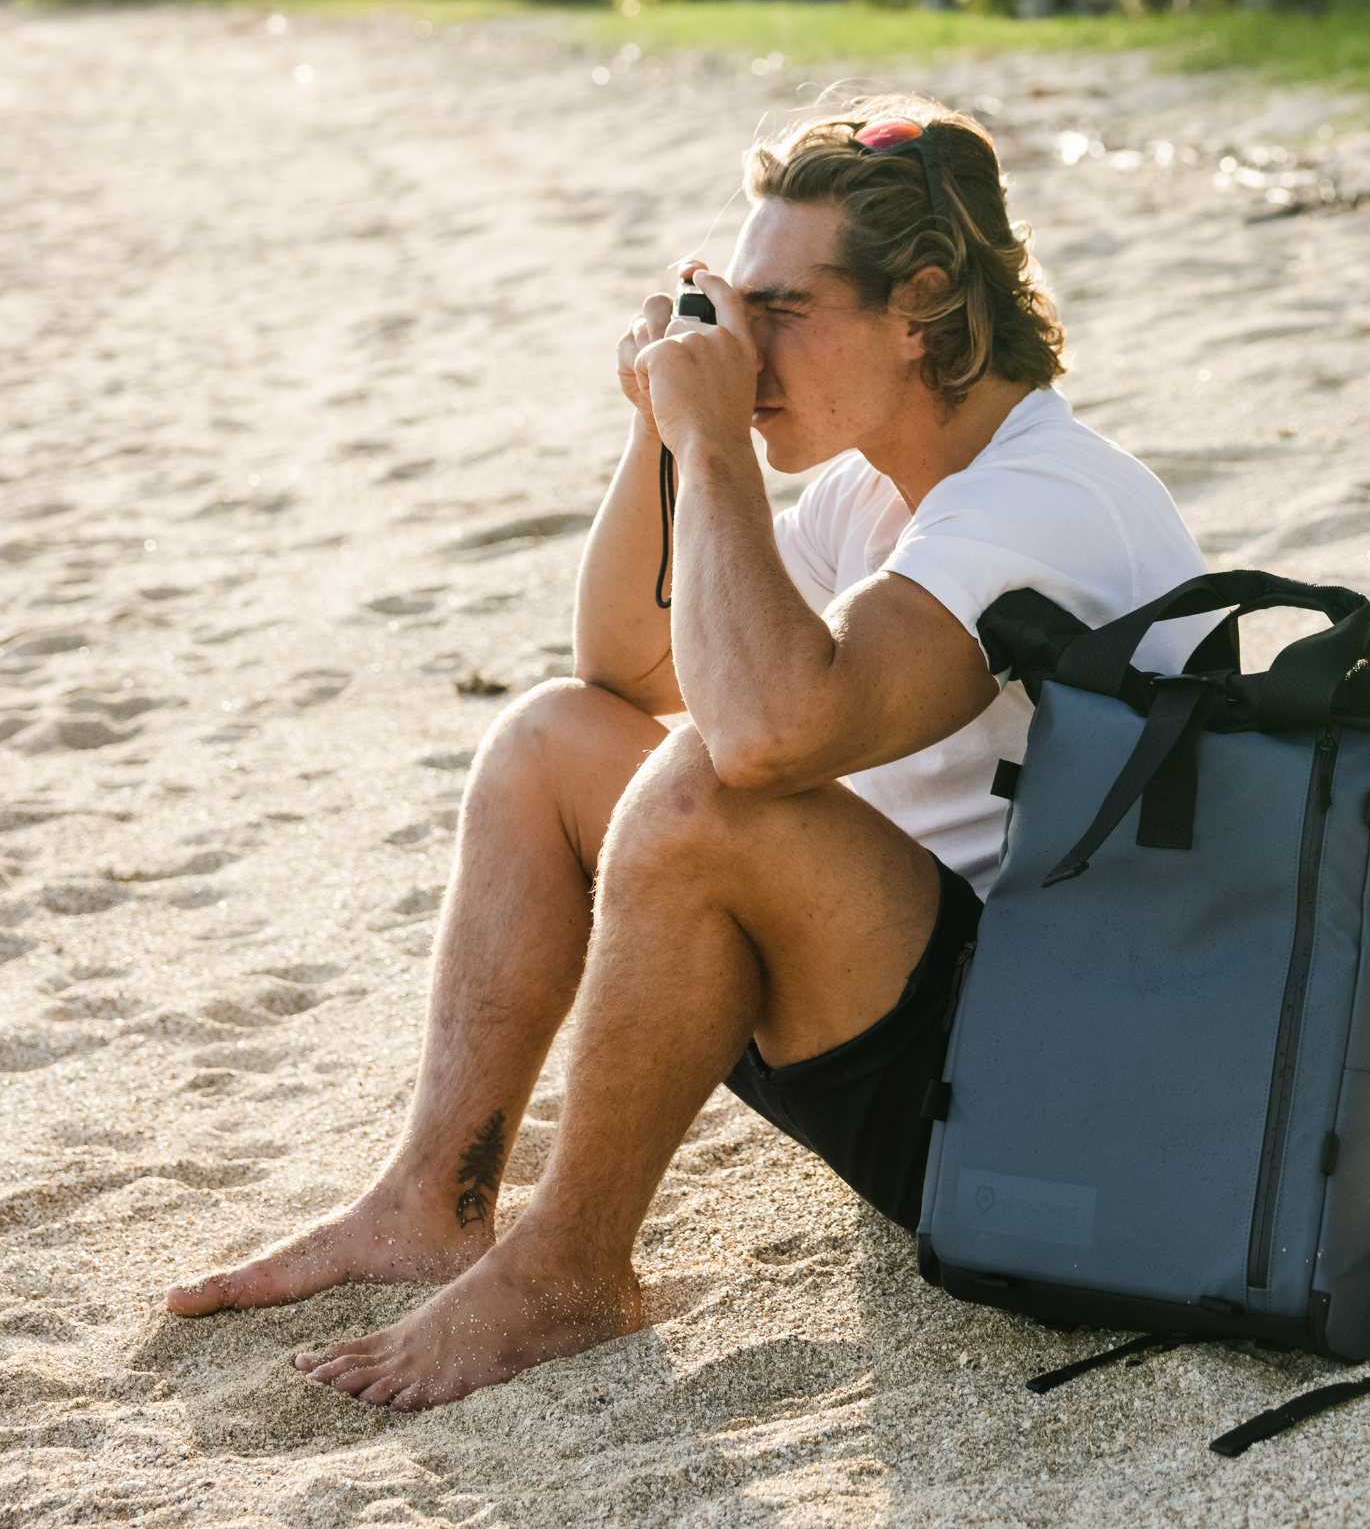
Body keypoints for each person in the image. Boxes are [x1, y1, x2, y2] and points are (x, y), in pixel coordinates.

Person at [165, 96, 1211, 1408]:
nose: (739, 345)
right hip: (917, 1018)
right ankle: (434, 1199)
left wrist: (719, 439)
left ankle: (567, 1274)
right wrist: (659, 434)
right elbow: (629, 672)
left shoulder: (1043, 499)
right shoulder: (874, 488)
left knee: (711, 781)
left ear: (923, 306)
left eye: (779, 310)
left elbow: (766, 733)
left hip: (1035, 1104)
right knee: (554, 740)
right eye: (730, 307)